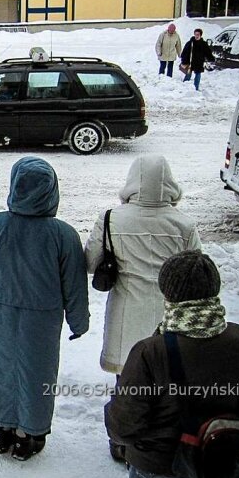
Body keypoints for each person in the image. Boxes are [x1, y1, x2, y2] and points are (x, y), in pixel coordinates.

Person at [0, 156, 89, 461]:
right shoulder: (64, 235)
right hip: (41, 322)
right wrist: (78, 322)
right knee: (36, 374)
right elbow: (74, 285)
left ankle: (1, 431)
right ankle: (28, 436)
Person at [85, 154, 201, 460]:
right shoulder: (184, 224)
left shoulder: (111, 217)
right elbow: (195, 270)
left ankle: (123, 443)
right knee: (166, 380)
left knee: (127, 381)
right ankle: (161, 442)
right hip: (170, 316)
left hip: (126, 313)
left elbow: (90, 262)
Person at [105, 250, 239, 478]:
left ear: (168, 292)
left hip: (157, 467)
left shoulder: (150, 351)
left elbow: (124, 426)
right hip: (217, 461)